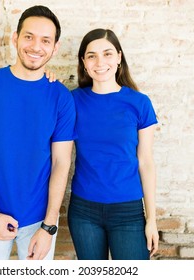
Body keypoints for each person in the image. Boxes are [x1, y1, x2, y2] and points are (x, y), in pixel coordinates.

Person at [0, 5, 76, 260]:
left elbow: (60, 162)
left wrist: (49, 226)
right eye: (29, 37)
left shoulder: (62, 98)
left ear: (55, 48)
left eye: (45, 40)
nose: (35, 46)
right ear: (15, 38)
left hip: (39, 222)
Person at [67, 28, 159, 260]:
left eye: (107, 54)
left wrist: (152, 220)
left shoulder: (139, 103)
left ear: (119, 57)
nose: (100, 62)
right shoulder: (72, 100)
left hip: (127, 211)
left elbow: (145, 162)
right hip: (83, 210)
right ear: (84, 62)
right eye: (92, 56)